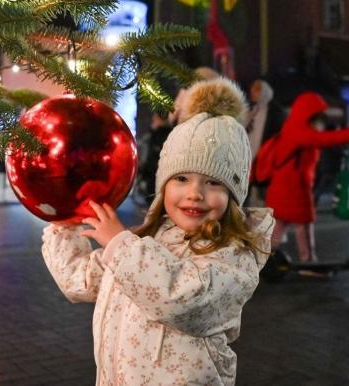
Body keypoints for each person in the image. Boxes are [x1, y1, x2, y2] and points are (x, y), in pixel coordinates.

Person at [41, 78, 274, 385]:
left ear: (234, 193)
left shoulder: (233, 256)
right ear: (163, 185)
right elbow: (79, 279)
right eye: (181, 178)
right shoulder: (146, 241)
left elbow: (181, 299)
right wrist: (64, 219)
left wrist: (119, 244)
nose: (195, 193)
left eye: (213, 182)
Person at [265, 92, 349, 262]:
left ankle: (264, 258)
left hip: (287, 185)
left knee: (280, 224)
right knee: (303, 222)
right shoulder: (298, 131)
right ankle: (308, 261)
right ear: (309, 114)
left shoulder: (293, 127)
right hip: (293, 187)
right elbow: (322, 139)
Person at [137, 111, 172, 200]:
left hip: (154, 177)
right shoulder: (169, 134)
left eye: (155, 118)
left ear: (159, 119)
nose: (153, 120)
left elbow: (152, 157)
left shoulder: (158, 135)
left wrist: (143, 170)